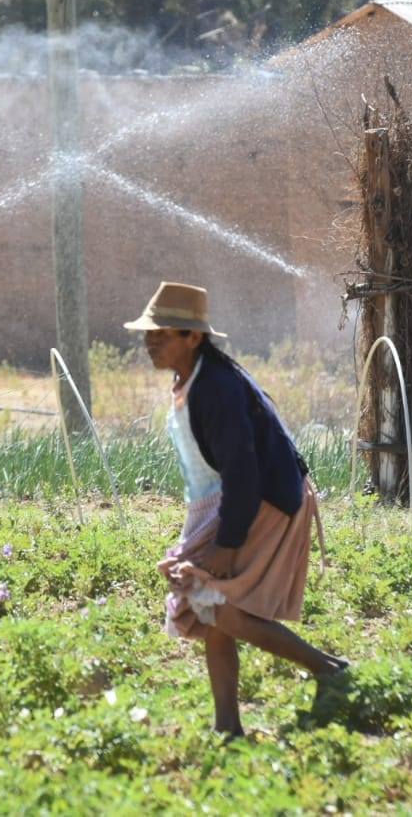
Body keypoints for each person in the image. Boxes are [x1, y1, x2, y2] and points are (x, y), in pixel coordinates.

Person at [124, 281, 347, 738]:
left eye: (162, 333)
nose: (151, 341)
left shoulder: (217, 388)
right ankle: (228, 727)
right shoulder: (190, 380)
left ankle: (329, 669)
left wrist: (227, 544)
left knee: (214, 604)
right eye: (148, 332)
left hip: (261, 500)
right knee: (210, 613)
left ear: (194, 337)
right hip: (228, 502)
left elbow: (243, 472)